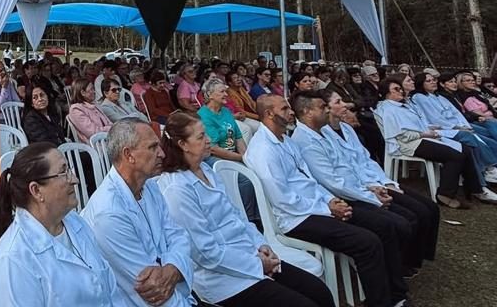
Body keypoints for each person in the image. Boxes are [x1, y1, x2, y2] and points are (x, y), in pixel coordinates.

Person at [157, 113, 334, 307]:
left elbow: (237, 215)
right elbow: (206, 254)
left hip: (251, 254)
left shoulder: (206, 170)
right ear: (183, 144)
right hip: (224, 279)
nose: (208, 141)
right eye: (200, 137)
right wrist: (258, 264)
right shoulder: (176, 189)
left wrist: (262, 245)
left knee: (319, 292)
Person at [245, 95, 406, 307]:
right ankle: (382, 302)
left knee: (382, 225)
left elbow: (309, 180)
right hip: (296, 218)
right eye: (284, 109)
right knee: (367, 242)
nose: (291, 112)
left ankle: (396, 294)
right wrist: (328, 208)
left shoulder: (284, 139)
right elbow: (283, 200)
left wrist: (331, 200)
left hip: (317, 206)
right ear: (268, 114)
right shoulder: (263, 150)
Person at [291, 91, 433, 278]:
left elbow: (363, 161)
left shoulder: (338, 130)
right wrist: (370, 194)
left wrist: (382, 183)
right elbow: (332, 182)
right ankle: (398, 270)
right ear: (308, 111)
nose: (346, 105)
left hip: (364, 185)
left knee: (426, 209)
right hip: (345, 196)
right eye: (336, 102)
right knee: (401, 222)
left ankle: (406, 264)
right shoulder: (305, 141)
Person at [0, 142, 123, 306]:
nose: (74, 179)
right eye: (63, 172)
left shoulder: (75, 222)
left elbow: (110, 289)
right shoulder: (13, 260)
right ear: (36, 190)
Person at [82, 118, 195, 307]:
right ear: (129, 155)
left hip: (178, 294)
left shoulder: (149, 186)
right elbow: (150, 290)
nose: (161, 153)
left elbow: (178, 235)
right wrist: (177, 266)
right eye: (152, 147)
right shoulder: (108, 213)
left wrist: (173, 268)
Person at [374, 78, 494, 208]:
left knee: (465, 149)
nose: (400, 91)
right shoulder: (388, 109)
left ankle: (475, 189)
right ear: (386, 93)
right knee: (455, 156)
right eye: (396, 89)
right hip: (410, 144)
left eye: (400, 88)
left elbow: (421, 125)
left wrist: (438, 129)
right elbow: (402, 135)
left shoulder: (405, 105)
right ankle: (445, 194)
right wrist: (426, 134)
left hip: (424, 138)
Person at [411, 72, 497, 184]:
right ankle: (488, 169)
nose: (433, 82)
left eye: (433, 80)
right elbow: (435, 119)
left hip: (460, 126)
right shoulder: (420, 98)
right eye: (429, 81)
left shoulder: (439, 97)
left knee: (487, 135)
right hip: (444, 129)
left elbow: (456, 113)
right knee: (473, 138)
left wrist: (464, 125)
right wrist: (458, 127)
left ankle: (491, 167)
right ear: (421, 83)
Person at [198, 78, 249, 160]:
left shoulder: (225, 111)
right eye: (222, 92)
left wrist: (246, 158)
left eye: (225, 91)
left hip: (233, 156)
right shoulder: (204, 116)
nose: (226, 94)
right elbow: (214, 149)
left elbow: (238, 137)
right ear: (209, 95)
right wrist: (242, 158)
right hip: (217, 159)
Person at [68, 78, 112, 143]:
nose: (94, 91)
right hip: (97, 144)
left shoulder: (94, 105)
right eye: (91, 89)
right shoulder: (76, 109)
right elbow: (93, 132)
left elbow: (108, 122)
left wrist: (114, 127)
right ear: (83, 92)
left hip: (108, 138)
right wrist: (111, 128)